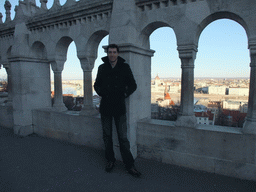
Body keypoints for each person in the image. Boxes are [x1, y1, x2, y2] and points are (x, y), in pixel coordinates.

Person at [94, 44, 141, 177]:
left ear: (118, 53)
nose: (112, 54)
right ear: (107, 53)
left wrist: (124, 94)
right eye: (110, 52)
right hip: (106, 106)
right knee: (107, 136)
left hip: (119, 107)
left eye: (114, 52)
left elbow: (133, 85)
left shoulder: (124, 67)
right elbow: (96, 85)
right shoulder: (102, 68)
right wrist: (103, 92)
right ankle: (110, 160)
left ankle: (129, 165)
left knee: (123, 137)